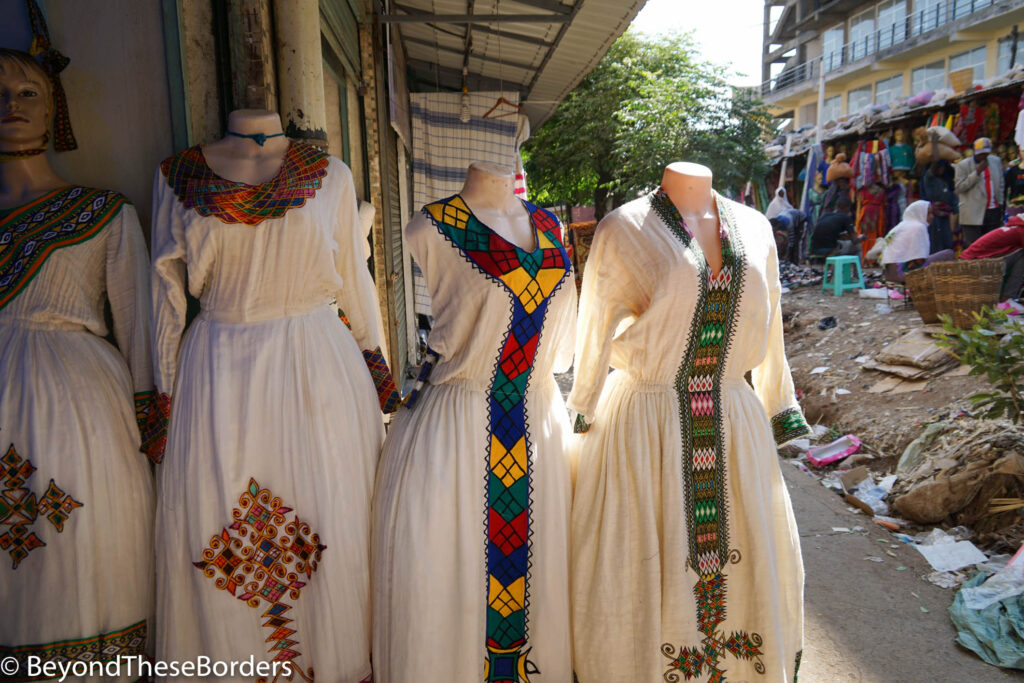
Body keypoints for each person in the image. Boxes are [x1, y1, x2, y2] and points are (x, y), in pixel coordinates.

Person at [151, 109, 398, 682]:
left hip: (319, 368)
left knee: (331, 520)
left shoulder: (330, 175)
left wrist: (376, 362)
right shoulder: (176, 178)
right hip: (218, 373)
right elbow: (162, 295)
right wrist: (158, 396)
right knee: (218, 521)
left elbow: (353, 278)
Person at [568, 161, 808, 682]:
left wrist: (777, 402)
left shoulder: (755, 226)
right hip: (644, 422)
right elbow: (594, 323)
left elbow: (771, 326)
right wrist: (582, 402)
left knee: (748, 565)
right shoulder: (624, 228)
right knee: (638, 560)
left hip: (734, 415)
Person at [372, 162, 577, 682]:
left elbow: (563, 346)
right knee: (450, 579)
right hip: (459, 431)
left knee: (540, 582)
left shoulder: (550, 226)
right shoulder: (432, 226)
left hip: (538, 424)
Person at [0, 48, 155, 671]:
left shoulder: (103, 214)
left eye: (27, 92)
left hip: (83, 408)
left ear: (54, 106)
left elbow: (140, 329)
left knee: (80, 549)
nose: (10, 105)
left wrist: (155, 420)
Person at [955, 137, 1004, 246]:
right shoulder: (963, 165)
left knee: (993, 245)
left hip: (993, 210)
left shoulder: (996, 161)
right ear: (975, 152)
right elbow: (960, 187)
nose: (983, 156)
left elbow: (1000, 184)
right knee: (975, 246)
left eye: (986, 153)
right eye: (981, 154)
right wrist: (977, 172)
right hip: (973, 213)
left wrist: (1000, 204)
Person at [961, 215, 1024, 300]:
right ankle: (1008, 298)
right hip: (974, 263)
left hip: (973, 260)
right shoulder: (1020, 230)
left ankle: (1009, 297)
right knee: (1022, 254)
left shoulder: (1015, 227)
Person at [920, 158, 957, 253]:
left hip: (946, 216)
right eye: (939, 167)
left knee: (947, 242)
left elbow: (953, 201)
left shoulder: (946, 181)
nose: (941, 170)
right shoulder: (929, 179)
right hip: (934, 216)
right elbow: (931, 169)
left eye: (943, 167)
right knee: (935, 243)